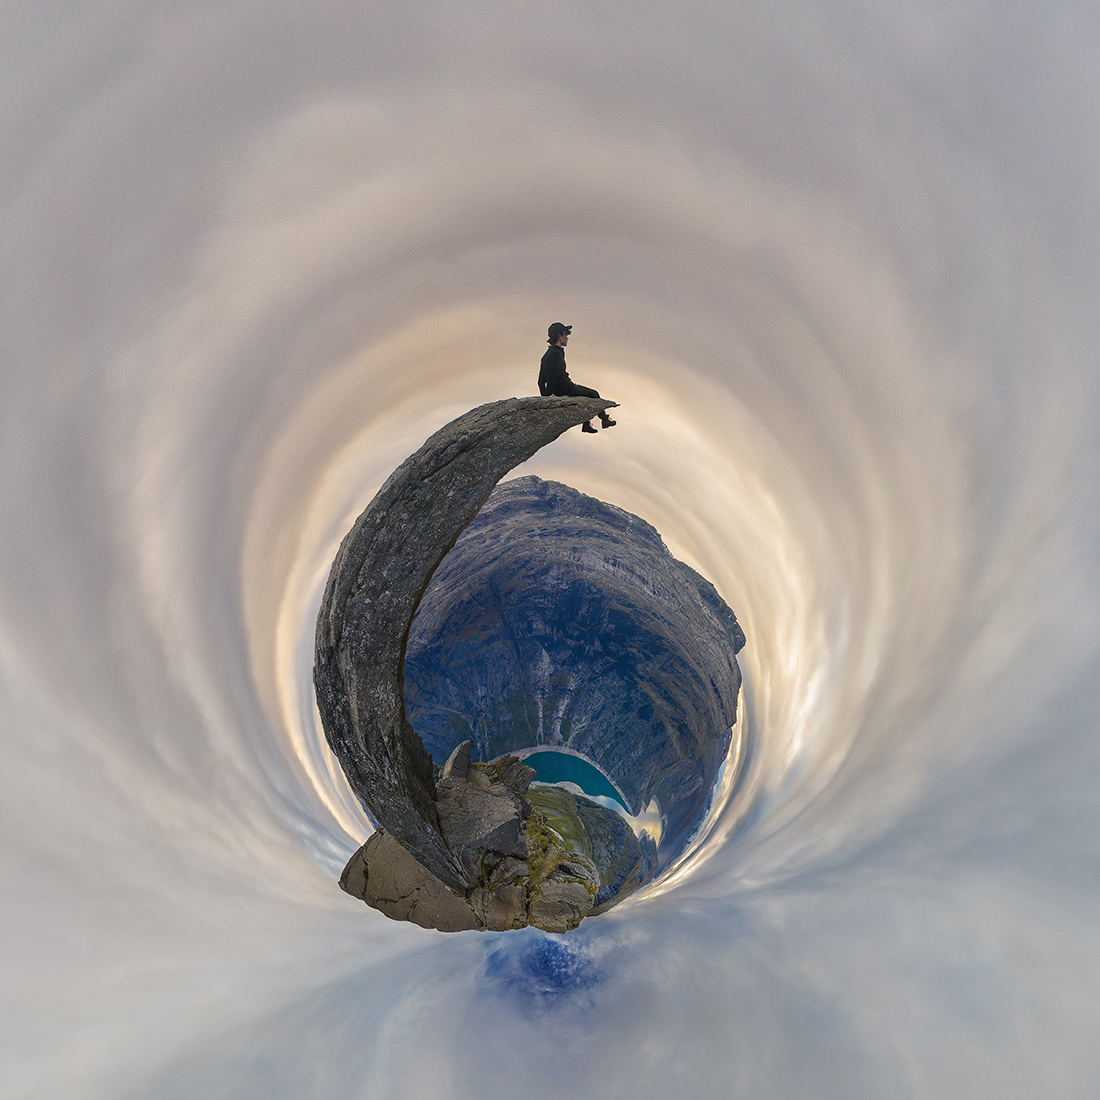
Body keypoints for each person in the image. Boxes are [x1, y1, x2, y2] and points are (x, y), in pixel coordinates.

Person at [538, 323, 616, 434]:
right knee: (593, 394)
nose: (567, 337)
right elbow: (552, 377)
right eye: (565, 334)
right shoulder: (556, 354)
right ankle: (603, 420)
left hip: (563, 387)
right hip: (565, 388)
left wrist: (544, 395)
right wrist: (549, 398)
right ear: (559, 336)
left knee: (587, 395)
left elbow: (541, 380)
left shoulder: (549, 354)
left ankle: (588, 424)